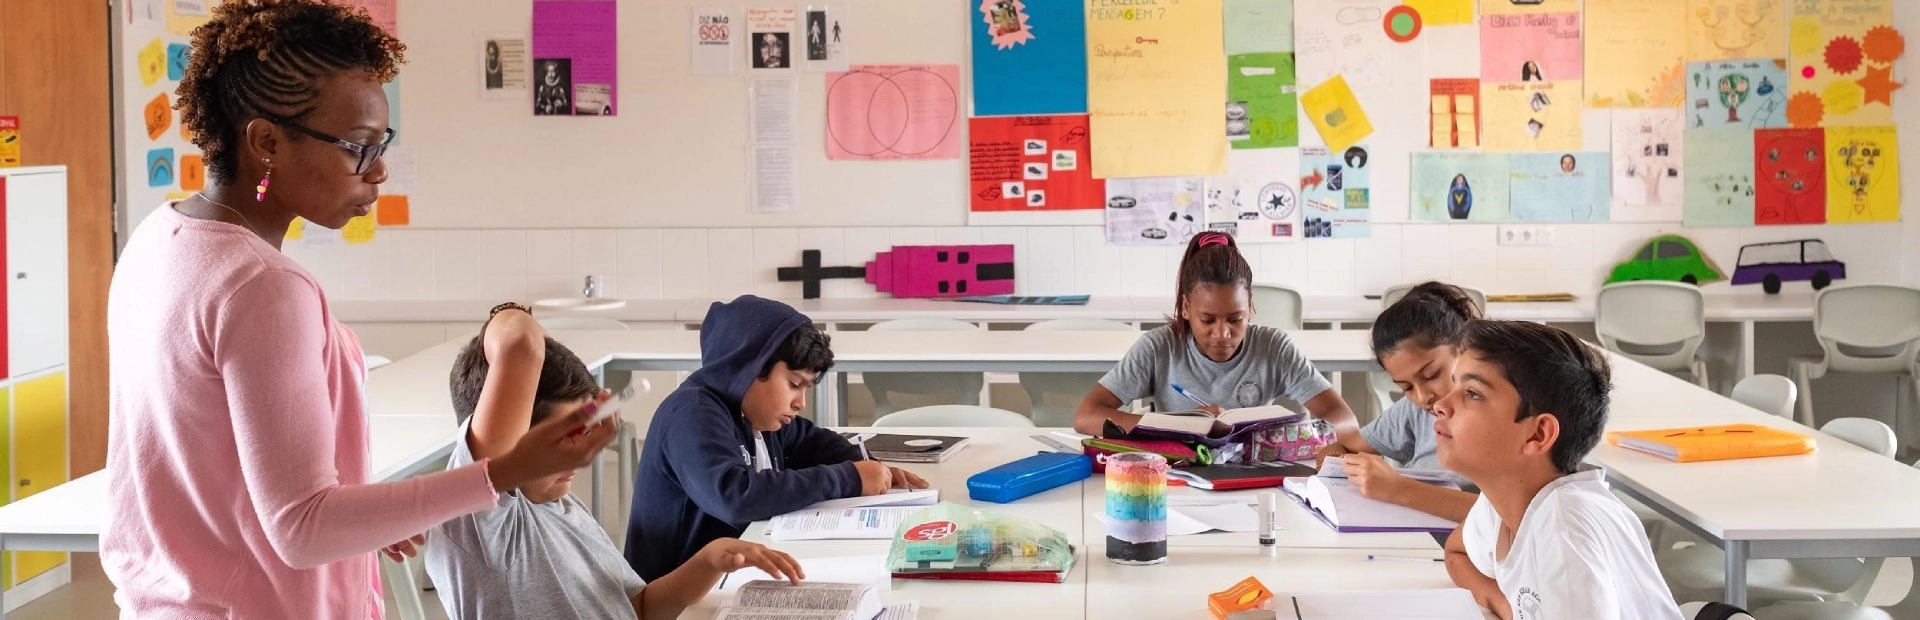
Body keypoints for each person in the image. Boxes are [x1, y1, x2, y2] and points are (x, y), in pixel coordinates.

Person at [103, 2, 614, 615]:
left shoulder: (158, 238)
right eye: (359, 147)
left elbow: (218, 470)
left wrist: (366, 514)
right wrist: (502, 474)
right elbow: (302, 528)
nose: (378, 172)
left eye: (381, 144)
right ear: (266, 141)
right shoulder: (264, 286)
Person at [429, 330, 803, 620]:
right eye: (564, 439)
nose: (580, 451)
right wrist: (506, 311)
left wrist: (709, 560)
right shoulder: (484, 521)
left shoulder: (562, 503)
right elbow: (520, 343)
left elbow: (637, 608)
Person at [626, 295, 928, 581]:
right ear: (751, 369)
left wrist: (866, 466)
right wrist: (848, 478)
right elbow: (734, 497)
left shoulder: (753, 412)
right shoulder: (691, 416)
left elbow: (810, 440)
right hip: (677, 601)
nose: (801, 403)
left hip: (731, 576)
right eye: (794, 384)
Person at [1438, 321, 1682, 620]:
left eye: (1473, 393)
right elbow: (1457, 554)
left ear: (1538, 435)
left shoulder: (1564, 530)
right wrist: (1506, 606)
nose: (1441, 404)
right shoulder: (1503, 500)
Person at [1074, 232, 1363, 447]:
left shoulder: (1274, 348)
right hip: (1180, 478)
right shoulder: (1159, 347)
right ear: (1186, 308)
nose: (1223, 334)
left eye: (1236, 319)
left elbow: (1345, 419)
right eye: (1208, 320)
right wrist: (1179, 426)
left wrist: (1275, 438)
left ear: (1250, 306)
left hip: (1256, 476)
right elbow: (1087, 416)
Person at [1317, 282, 1481, 522]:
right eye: (1406, 387)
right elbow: (1344, 446)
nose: (1424, 397)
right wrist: (1340, 461)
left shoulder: (1498, 414)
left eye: (1432, 375)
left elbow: (1506, 517)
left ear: (1464, 348)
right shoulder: (1415, 410)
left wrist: (1397, 488)